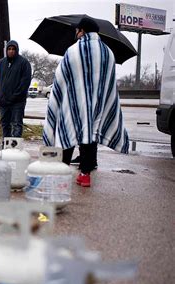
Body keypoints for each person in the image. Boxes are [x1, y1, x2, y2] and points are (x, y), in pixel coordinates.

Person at [43, 17, 129, 187]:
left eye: (77, 30)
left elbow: (60, 78)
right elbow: (110, 83)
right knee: (90, 135)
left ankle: (62, 172)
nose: (76, 33)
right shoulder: (108, 53)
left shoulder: (73, 51)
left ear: (82, 31)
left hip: (73, 102)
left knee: (68, 131)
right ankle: (85, 174)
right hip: (98, 105)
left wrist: (60, 98)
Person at [0, 40, 32, 138]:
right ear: (6, 50)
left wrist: (14, 97)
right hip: (3, 102)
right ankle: (5, 145)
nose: (11, 51)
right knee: (5, 124)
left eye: (13, 49)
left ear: (17, 50)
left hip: (17, 102)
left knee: (17, 124)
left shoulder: (24, 63)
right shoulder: (1, 63)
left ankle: (15, 148)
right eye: (9, 49)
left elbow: (25, 83)